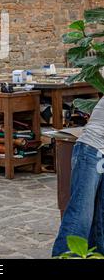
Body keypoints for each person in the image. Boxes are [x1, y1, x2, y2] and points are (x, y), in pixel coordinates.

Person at [52, 96, 104, 256]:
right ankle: (64, 255)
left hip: (100, 155)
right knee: (80, 213)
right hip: (91, 150)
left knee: (100, 219)